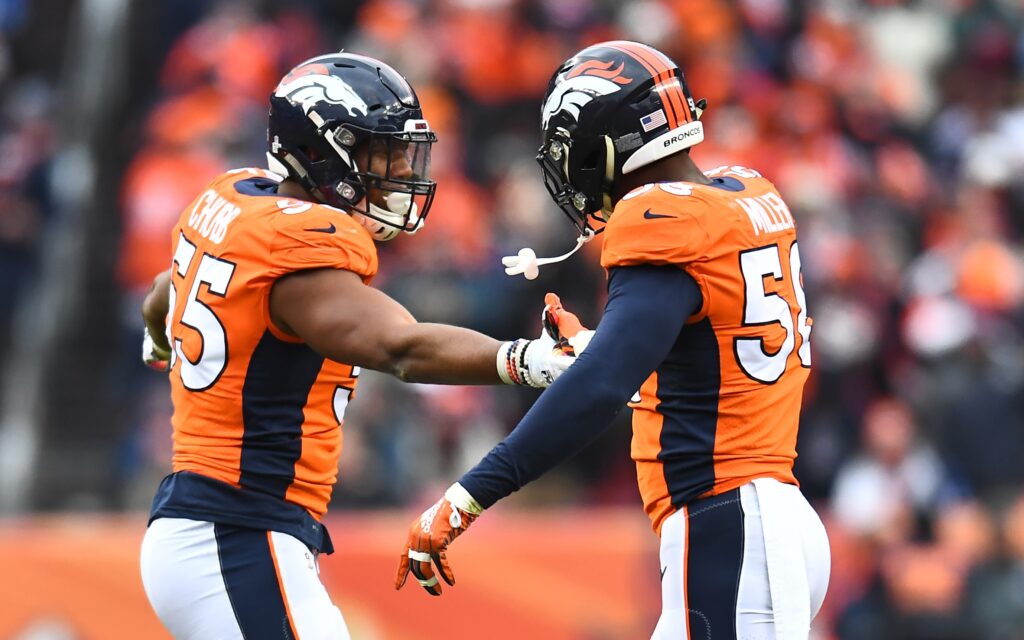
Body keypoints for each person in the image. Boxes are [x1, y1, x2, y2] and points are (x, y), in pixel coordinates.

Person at [396, 41, 831, 640]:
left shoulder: (662, 218)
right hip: (766, 518)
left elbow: (601, 387)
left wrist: (469, 495)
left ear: (609, 142)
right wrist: (602, 345)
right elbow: (706, 368)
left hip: (731, 523)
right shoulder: (747, 193)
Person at [138, 52, 578, 640]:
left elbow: (164, 290)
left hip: (218, 528)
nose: (398, 170)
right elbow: (400, 347)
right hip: (234, 532)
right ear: (320, 152)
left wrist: (157, 338)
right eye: (382, 153)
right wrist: (526, 360)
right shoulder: (299, 245)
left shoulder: (232, 200)